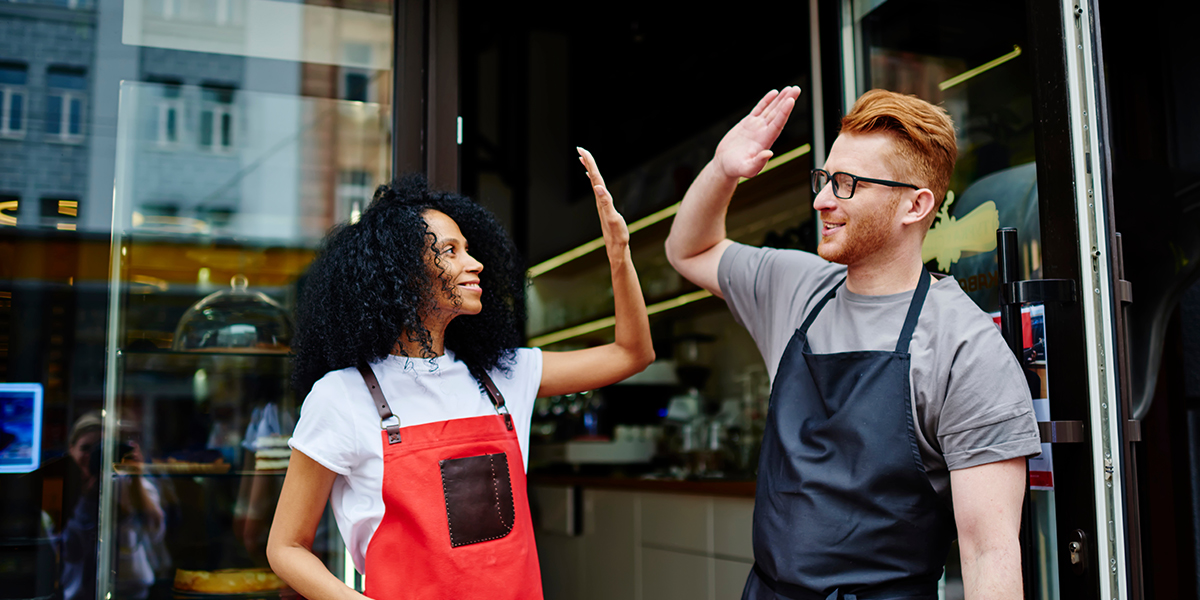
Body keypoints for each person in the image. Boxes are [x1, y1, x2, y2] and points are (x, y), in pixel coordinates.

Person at [665, 87, 1041, 600]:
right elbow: (688, 250)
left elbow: (989, 553)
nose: (821, 199)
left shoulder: (965, 348)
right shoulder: (795, 287)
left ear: (915, 205)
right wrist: (722, 170)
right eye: (824, 180)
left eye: (846, 184)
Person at [266, 149, 654, 600]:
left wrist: (620, 254)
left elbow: (632, 353)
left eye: (469, 249)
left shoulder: (505, 373)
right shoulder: (341, 397)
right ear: (402, 275)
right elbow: (286, 547)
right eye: (451, 251)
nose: (476, 263)